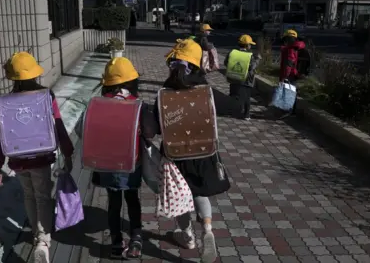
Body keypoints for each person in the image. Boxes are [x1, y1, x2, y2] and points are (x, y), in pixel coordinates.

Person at [0, 52, 74, 263]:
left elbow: (0, 133)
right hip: (40, 157)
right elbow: (57, 124)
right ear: (34, 74)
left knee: (29, 196)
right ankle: (42, 240)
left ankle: (36, 234)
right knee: (43, 197)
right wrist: (68, 151)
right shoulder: (45, 96)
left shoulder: (6, 102)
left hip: (18, 161)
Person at [158, 39, 230, 263]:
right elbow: (236, 106)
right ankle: (207, 230)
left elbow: (152, 127)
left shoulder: (164, 93)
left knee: (180, 196)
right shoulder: (207, 92)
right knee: (199, 192)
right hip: (203, 153)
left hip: (173, 155)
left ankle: (187, 235)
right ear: (198, 65)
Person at [88, 57, 153, 259]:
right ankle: (136, 238)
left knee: (114, 203)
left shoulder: (97, 105)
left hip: (107, 165)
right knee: (132, 199)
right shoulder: (138, 105)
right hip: (131, 163)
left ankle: (116, 242)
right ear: (131, 82)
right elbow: (150, 132)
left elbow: (86, 131)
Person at [224, 34, 259, 120]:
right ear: (247, 46)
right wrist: (258, 59)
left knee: (234, 95)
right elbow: (252, 67)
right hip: (246, 80)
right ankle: (246, 115)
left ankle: (231, 111)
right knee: (247, 97)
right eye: (250, 44)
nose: (251, 46)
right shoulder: (250, 55)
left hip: (234, 78)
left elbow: (226, 63)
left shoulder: (232, 53)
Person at [279, 29, 306, 119]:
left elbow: (289, 64)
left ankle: (287, 111)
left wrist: (284, 77)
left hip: (289, 75)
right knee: (292, 91)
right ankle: (292, 111)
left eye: (286, 39)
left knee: (288, 92)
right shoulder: (297, 47)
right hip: (294, 74)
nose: (285, 41)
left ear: (289, 39)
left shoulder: (290, 49)